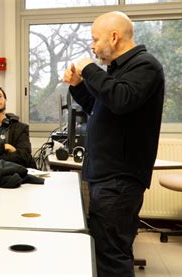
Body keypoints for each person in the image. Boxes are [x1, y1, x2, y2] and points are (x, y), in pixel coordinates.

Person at [63, 11, 164, 277]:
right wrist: (78, 86)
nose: (93, 46)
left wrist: (88, 68)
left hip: (119, 179)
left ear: (114, 37)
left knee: (112, 257)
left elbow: (120, 100)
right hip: (106, 176)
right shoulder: (118, 71)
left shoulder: (145, 66)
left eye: (96, 39)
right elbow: (100, 108)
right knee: (107, 250)